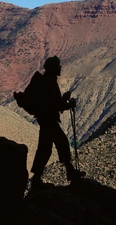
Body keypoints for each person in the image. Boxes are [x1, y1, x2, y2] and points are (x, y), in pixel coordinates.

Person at [30, 56, 84, 188]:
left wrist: (63, 100)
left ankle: (39, 177)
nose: (60, 68)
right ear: (53, 67)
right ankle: (38, 179)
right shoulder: (49, 81)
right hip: (48, 120)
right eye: (58, 66)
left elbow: (53, 102)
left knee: (50, 146)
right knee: (53, 146)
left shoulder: (48, 80)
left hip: (46, 119)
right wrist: (68, 104)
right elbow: (55, 105)